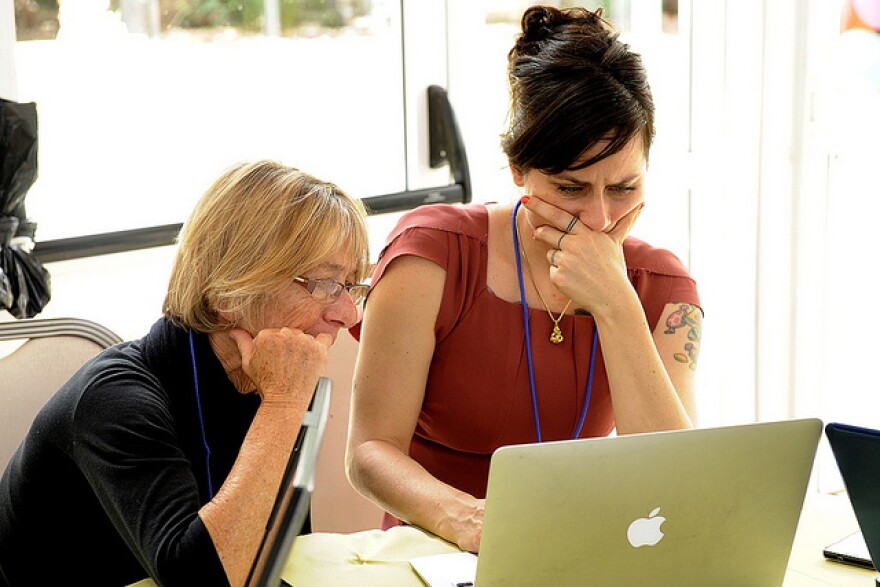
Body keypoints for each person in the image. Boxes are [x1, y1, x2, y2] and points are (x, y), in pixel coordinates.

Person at [346, 5, 703, 554]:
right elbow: (370, 449)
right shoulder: (433, 253)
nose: (601, 219)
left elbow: (677, 482)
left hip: (581, 550)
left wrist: (616, 305)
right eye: (571, 188)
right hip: (436, 550)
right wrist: (466, 521)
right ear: (518, 171)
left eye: (625, 188)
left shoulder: (664, 287)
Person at [0, 161, 370, 586]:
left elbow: (277, 551)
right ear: (229, 292)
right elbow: (199, 581)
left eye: (353, 285)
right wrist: (285, 405)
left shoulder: (270, 373)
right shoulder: (113, 398)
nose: (348, 314)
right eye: (325, 283)